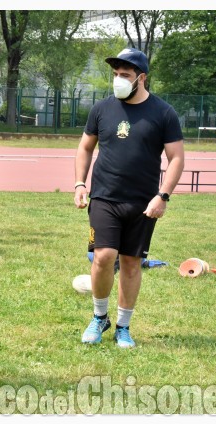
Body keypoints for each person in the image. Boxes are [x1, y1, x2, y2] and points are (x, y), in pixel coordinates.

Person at [74, 48, 185, 349]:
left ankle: (123, 325)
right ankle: (99, 317)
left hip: (142, 203)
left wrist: (163, 196)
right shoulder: (101, 109)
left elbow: (176, 158)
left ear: (142, 77)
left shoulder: (163, 113)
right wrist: (79, 183)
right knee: (103, 256)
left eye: (125, 75)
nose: (118, 80)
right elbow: (85, 147)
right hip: (104, 197)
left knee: (132, 263)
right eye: (116, 75)